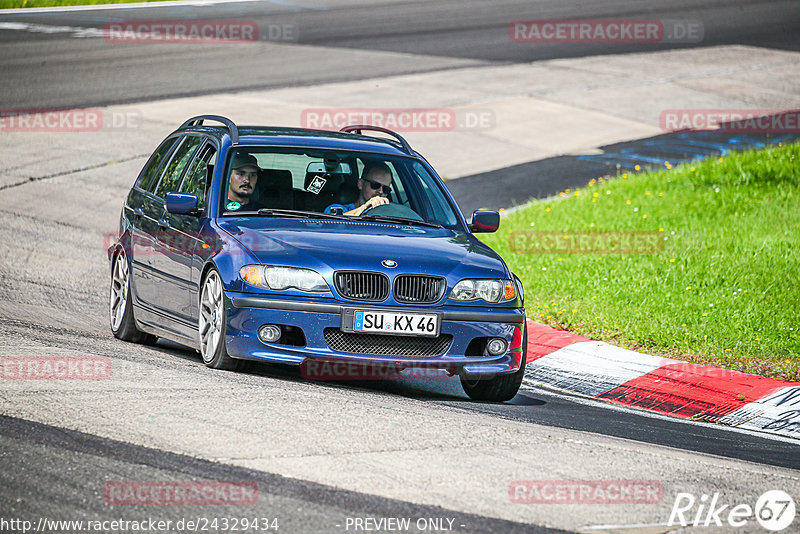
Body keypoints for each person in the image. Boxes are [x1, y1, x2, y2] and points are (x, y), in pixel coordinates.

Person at [325, 161, 392, 216]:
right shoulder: (337, 209)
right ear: (361, 184)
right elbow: (333, 223)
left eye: (386, 189)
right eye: (375, 185)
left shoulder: (391, 215)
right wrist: (365, 207)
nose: (380, 191)